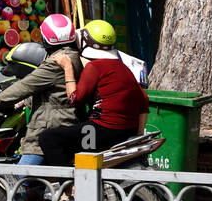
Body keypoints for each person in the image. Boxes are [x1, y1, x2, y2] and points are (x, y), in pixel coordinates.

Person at [39, 19, 150, 165]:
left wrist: (68, 68)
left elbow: (74, 99)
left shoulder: (95, 67)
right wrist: (138, 134)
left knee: (48, 138)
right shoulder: (122, 67)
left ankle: (69, 186)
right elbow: (144, 101)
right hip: (126, 132)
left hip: (101, 132)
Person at [0, 14, 82, 167]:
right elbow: (53, 91)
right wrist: (24, 102)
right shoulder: (73, 56)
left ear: (47, 39)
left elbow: (26, 85)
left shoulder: (56, 62)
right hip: (64, 122)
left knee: (20, 179)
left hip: (48, 126)